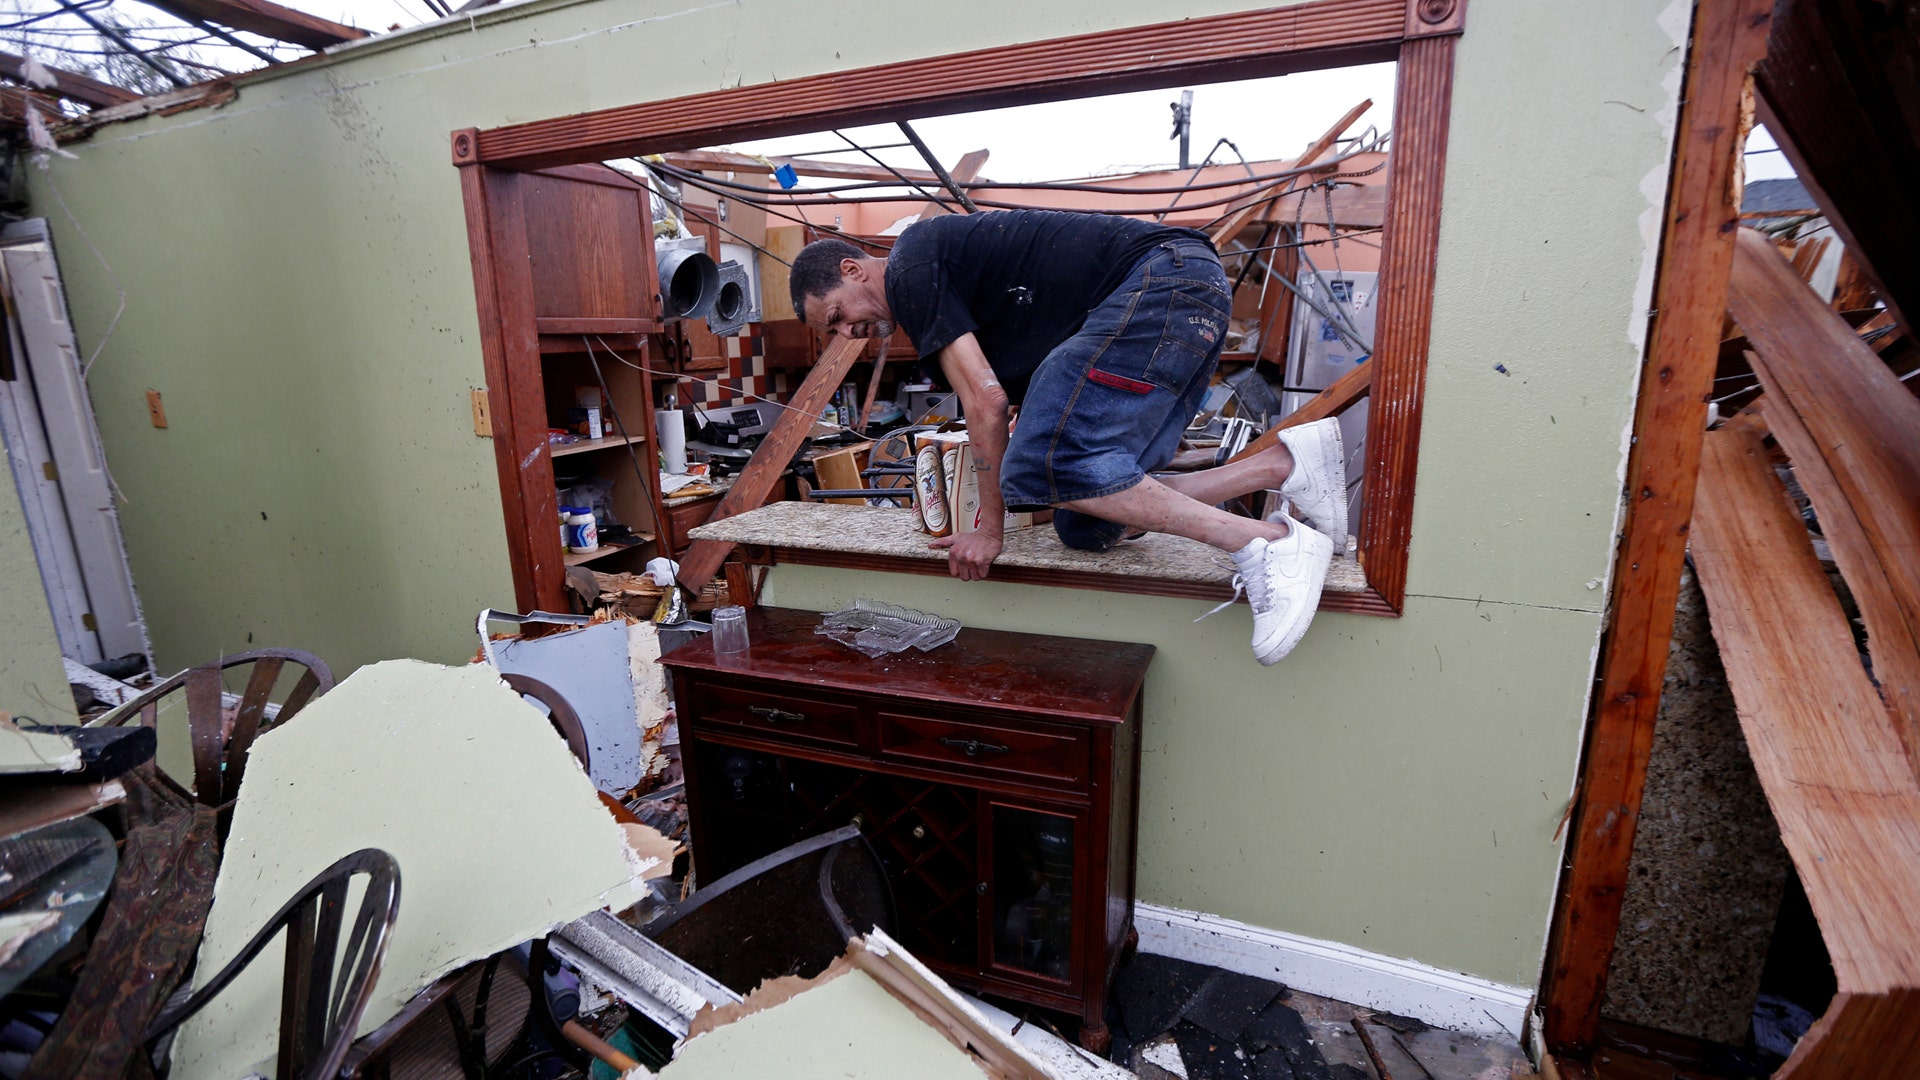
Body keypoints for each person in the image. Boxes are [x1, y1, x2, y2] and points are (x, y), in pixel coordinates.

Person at [790, 209, 1347, 664]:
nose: (847, 333)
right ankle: (1282, 465)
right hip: (1191, 291)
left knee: (1039, 466)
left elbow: (984, 401)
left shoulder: (910, 268)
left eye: (838, 314)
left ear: (855, 269)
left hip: (1162, 279)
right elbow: (1023, 388)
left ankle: (1266, 543)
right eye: (833, 330)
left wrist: (989, 529)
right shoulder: (950, 284)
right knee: (1088, 521)